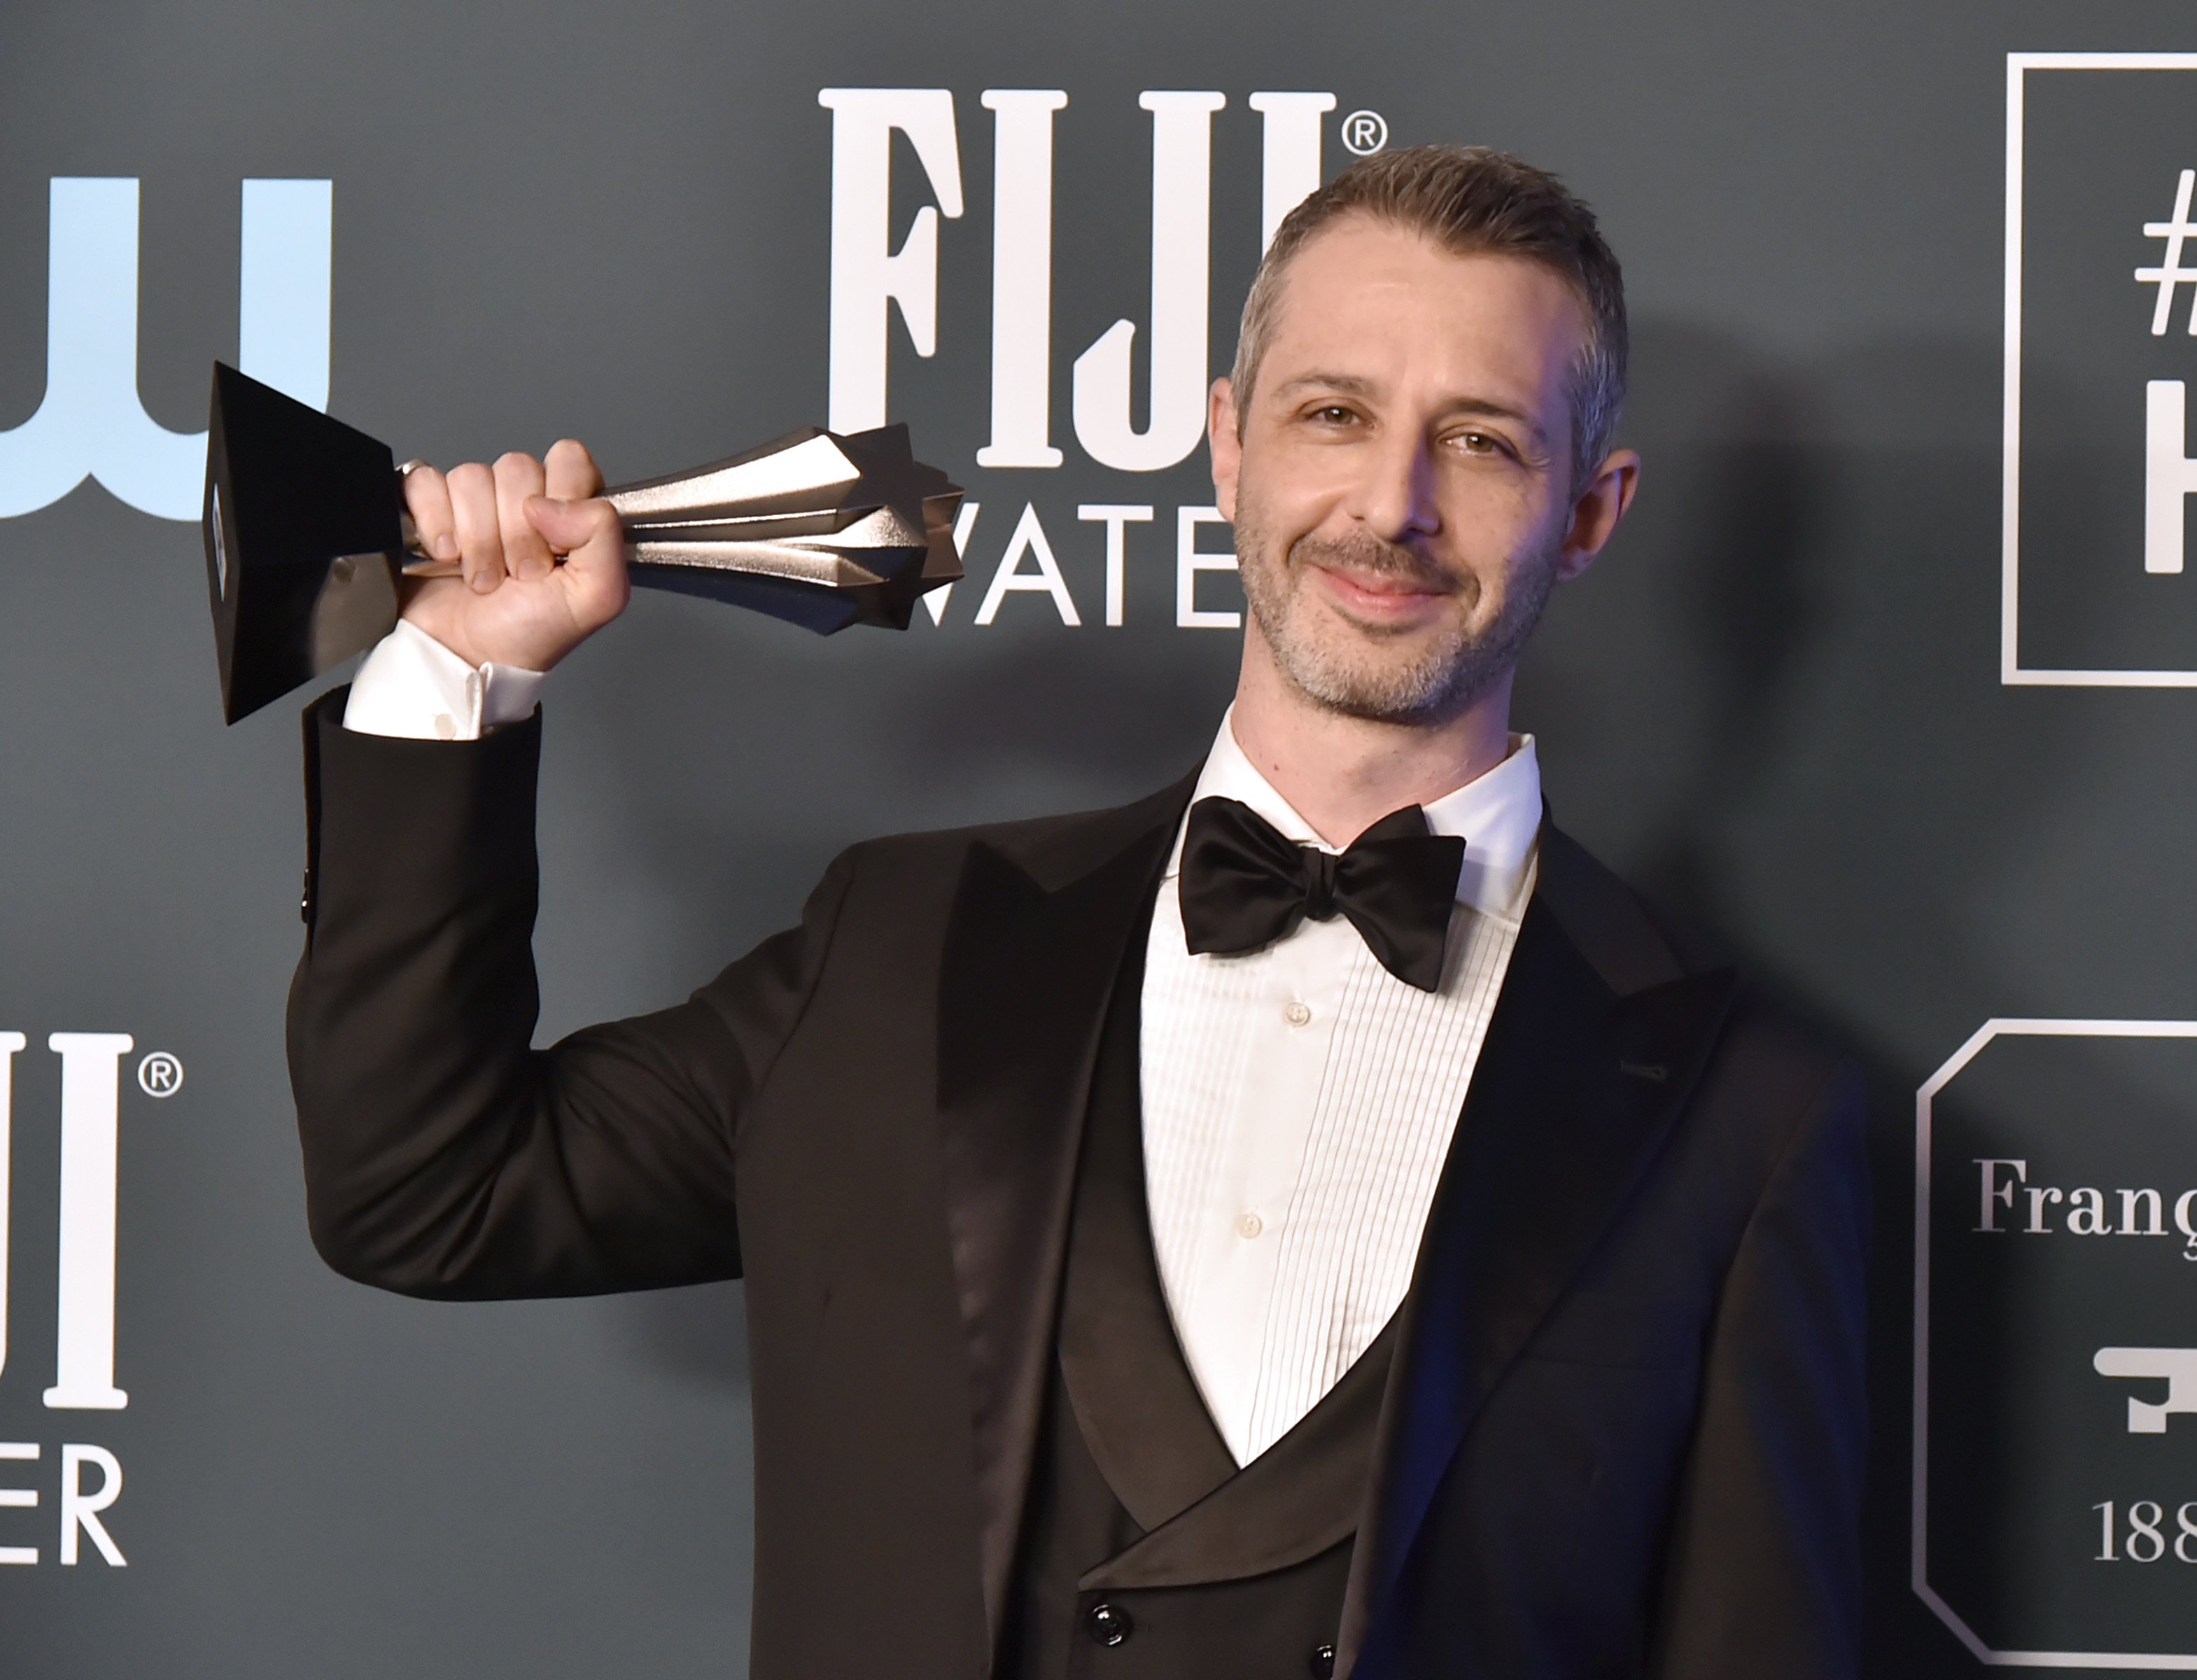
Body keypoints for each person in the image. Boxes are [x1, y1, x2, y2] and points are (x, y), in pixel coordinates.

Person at [290, 145, 1867, 1679]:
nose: (1393, 505)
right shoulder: (903, 946)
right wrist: (456, 673)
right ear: (1231, 444)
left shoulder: (1750, 1116)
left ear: (1591, 512)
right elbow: (428, 1193)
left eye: (1481, 442)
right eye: (1336, 414)